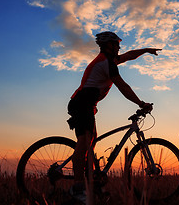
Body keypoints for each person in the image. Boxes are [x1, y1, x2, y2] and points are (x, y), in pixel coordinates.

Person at [67, 31, 161, 204]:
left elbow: (129, 55)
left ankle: (91, 184)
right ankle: (78, 188)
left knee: (91, 143)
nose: (119, 47)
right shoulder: (106, 63)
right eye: (117, 43)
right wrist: (141, 103)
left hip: (88, 105)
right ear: (109, 45)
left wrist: (146, 50)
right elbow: (123, 87)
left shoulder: (110, 60)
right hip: (82, 104)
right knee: (84, 142)